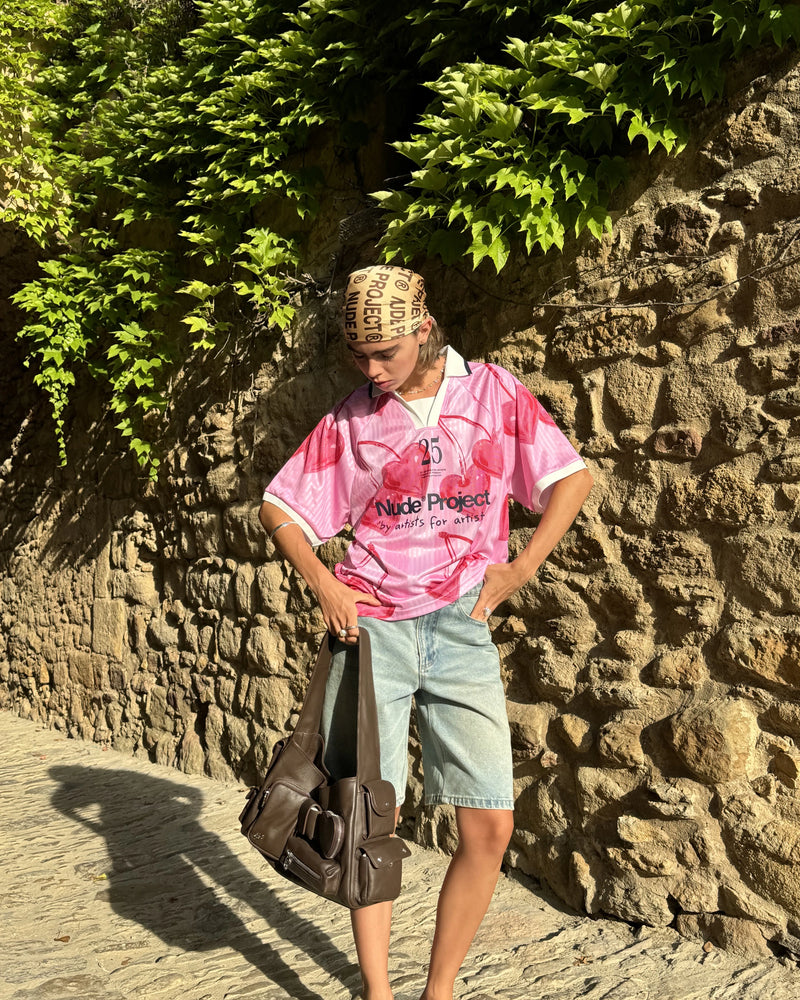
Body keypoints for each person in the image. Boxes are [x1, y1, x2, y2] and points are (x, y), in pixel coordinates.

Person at [259, 264, 593, 1000]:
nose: (373, 371)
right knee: (368, 821)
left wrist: (520, 568)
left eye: (386, 353)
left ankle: (439, 991)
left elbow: (571, 478)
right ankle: (378, 993)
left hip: (461, 627)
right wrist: (325, 583)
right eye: (360, 357)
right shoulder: (351, 420)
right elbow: (279, 507)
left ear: (424, 328)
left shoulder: (492, 394)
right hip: (372, 635)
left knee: (490, 827)